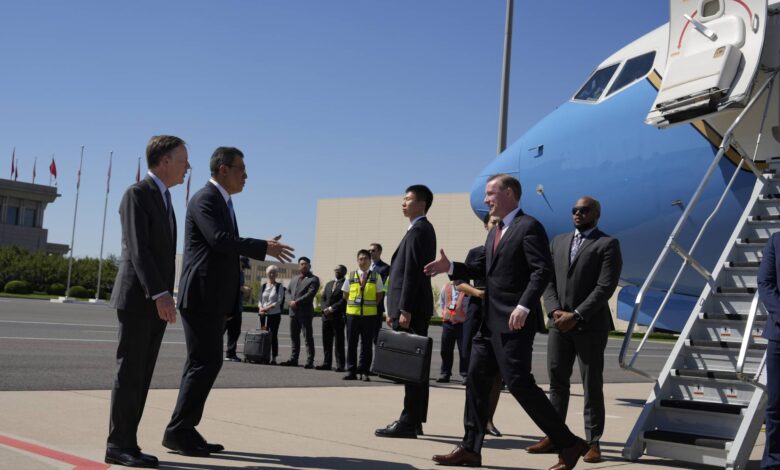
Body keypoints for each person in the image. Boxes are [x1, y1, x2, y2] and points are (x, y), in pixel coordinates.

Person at [426, 174, 587, 470]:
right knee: (475, 381)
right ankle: (470, 448)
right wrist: (451, 267)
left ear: (509, 193)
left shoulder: (529, 227)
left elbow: (541, 271)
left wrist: (524, 305)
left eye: (491, 193)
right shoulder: (495, 231)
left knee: (519, 384)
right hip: (488, 325)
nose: (486, 199)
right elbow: (483, 270)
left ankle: (568, 443)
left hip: (514, 323)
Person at [163, 146, 294, 457]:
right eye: (241, 169)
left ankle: (184, 428)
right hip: (201, 297)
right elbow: (219, 240)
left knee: (205, 363)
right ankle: (178, 430)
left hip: (213, 299)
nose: (245, 176)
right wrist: (263, 247)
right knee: (203, 363)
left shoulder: (223, 202)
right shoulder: (205, 199)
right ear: (223, 169)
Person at [105, 135, 189, 468]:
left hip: (154, 302)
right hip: (139, 299)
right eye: (183, 161)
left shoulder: (165, 199)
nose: (187, 168)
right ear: (165, 161)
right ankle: (118, 444)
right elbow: (138, 249)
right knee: (129, 374)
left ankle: (129, 442)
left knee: (141, 376)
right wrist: (160, 293)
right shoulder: (137, 194)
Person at [534, 196, 622, 463]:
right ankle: (556, 437)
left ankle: (593, 442)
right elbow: (547, 280)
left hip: (590, 325)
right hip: (558, 324)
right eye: (574, 210)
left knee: (591, 383)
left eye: (584, 210)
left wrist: (577, 315)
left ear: (597, 213)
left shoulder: (607, 244)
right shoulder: (558, 242)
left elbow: (605, 286)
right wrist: (554, 311)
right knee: (557, 382)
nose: (578, 213)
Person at [375, 184, 436, 439]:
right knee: (415, 367)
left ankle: (409, 421)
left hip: (411, 309)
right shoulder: (417, 229)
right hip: (410, 307)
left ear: (421, 204)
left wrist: (405, 308)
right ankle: (415, 419)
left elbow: (412, 271)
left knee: (411, 367)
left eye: (408, 199)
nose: (403, 203)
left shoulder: (420, 230)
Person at [455, 215, 502, 437]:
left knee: (496, 371)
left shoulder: (510, 250)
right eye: (493, 222)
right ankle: (473, 421)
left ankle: (488, 420)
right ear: (485, 226)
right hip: (477, 310)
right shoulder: (476, 252)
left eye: (501, 222)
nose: (497, 225)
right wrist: (478, 293)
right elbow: (459, 282)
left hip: (500, 312)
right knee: (474, 368)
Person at [342, 250, 385, 381]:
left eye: (365, 258)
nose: (363, 261)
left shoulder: (376, 276)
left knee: (366, 345)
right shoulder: (350, 276)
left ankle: (364, 371)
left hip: (369, 316)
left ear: (370, 261)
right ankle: (351, 371)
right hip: (352, 315)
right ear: (357, 261)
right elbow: (345, 294)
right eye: (360, 259)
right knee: (351, 344)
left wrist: (369, 305)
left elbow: (379, 295)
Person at [758, 232, 780, 470]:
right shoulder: (776, 241)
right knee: (775, 405)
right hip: (778, 336)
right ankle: (773, 463)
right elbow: (765, 283)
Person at [281, 257, 320, 368]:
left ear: (309, 266)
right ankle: (294, 359)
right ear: (299, 266)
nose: (304, 265)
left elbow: (310, 294)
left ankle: (310, 361)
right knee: (294, 337)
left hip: (305, 313)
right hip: (293, 312)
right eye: (302, 264)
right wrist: (289, 301)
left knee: (308, 337)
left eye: (306, 264)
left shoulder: (314, 279)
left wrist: (296, 302)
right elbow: (288, 292)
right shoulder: (294, 279)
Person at [317, 264, 348, 372]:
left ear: (344, 272)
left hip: (338, 317)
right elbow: (323, 298)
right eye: (335, 269)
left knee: (339, 342)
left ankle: (340, 365)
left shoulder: (346, 283)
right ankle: (327, 363)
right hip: (326, 317)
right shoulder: (329, 284)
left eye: (339, 270)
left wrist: (331, 309)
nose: (336, 271)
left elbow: (344, 300)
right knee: (326, 341)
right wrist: (324, 309)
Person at [437, 280, 469, 383]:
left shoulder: (468, 288)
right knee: (445, 350)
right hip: (448, 323)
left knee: (464, 351)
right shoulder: (446, 287)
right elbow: (442, 303)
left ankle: (465, 374)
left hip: (462, 324)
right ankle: (445, 373)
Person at [224, 256, 251, 362]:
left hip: (237, 307)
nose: (244, 269)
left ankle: (231, 353)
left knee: (235, 331)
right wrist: (243, 289)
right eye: (243, 266)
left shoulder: (241, 274)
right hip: (228, 307)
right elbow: (229, 286)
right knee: (220, 330)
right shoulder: (230, 271)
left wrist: (246, 293)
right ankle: (209, 351)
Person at [259, 264, 286, 365]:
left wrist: (266, 308)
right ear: (267, 274)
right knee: (263, 334)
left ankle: (274, 357)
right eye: (270, 272)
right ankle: (263, 356)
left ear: (276, 274)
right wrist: (261, 308)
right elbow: (259, 300)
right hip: (263, 315)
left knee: (273, 336)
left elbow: (278, 301)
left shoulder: (279, 286)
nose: (272, 274)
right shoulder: (263, 286)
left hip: (274, 315)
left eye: (274, 272)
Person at [369, 242, 390, 342]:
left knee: (375, 335)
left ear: (380, 252)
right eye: (369, 250)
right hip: (364, 306)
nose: (370, 252)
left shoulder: (385, 268)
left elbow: (383, 288)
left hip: (376, 305)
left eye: (373, 250)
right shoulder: (365, 267)